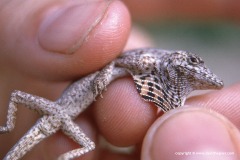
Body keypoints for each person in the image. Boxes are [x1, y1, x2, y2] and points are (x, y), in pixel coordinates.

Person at [0, 0, 239, 159]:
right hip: (58, 111)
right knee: (79, 142)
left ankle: (13, 130)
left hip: (62, 115)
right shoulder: (149, 62)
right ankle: (8, 127)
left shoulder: (154, 65)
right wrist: (105, 75)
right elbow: (117, 63)